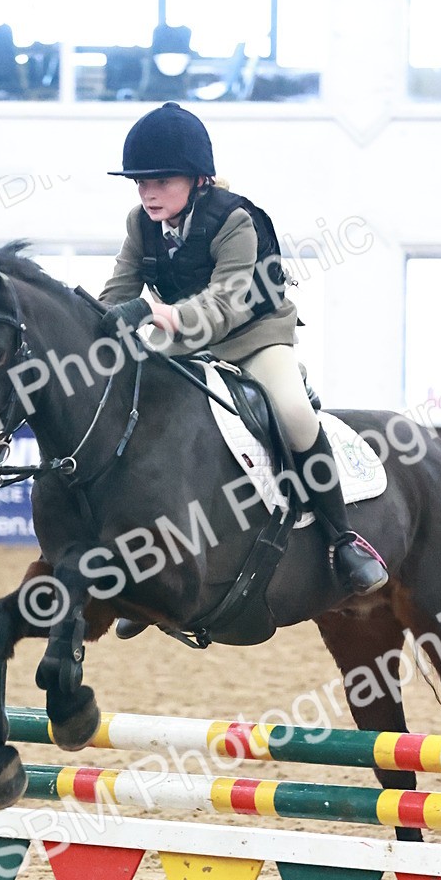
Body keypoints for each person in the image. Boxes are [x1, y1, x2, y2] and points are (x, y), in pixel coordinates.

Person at [98, 102, 388, 638]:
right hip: (183, 339)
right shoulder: (140, 224)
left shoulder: (237, 221)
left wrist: (164, 316)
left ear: (197, 180)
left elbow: (226, 304)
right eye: (140, 182)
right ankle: (150, 573)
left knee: (294, 414)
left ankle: (343, 539)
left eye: (161, 181)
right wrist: (93, 324)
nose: (147, 193)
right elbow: (118, 289)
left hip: (254, 337)